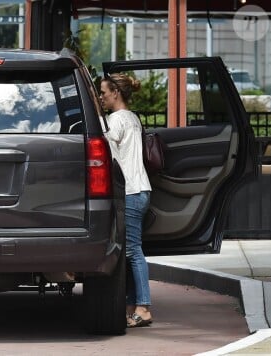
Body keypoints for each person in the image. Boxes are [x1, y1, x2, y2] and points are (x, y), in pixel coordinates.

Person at [100, 73, 153, 328]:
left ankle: (143, 307)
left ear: (115, 93)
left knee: (133, 251)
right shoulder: (133, 118)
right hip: (143, 189)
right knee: (132, 250)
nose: (101, 97)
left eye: (104, 92)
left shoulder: (115, 121)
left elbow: (107, 158)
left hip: (130, 191)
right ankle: (133, 306)